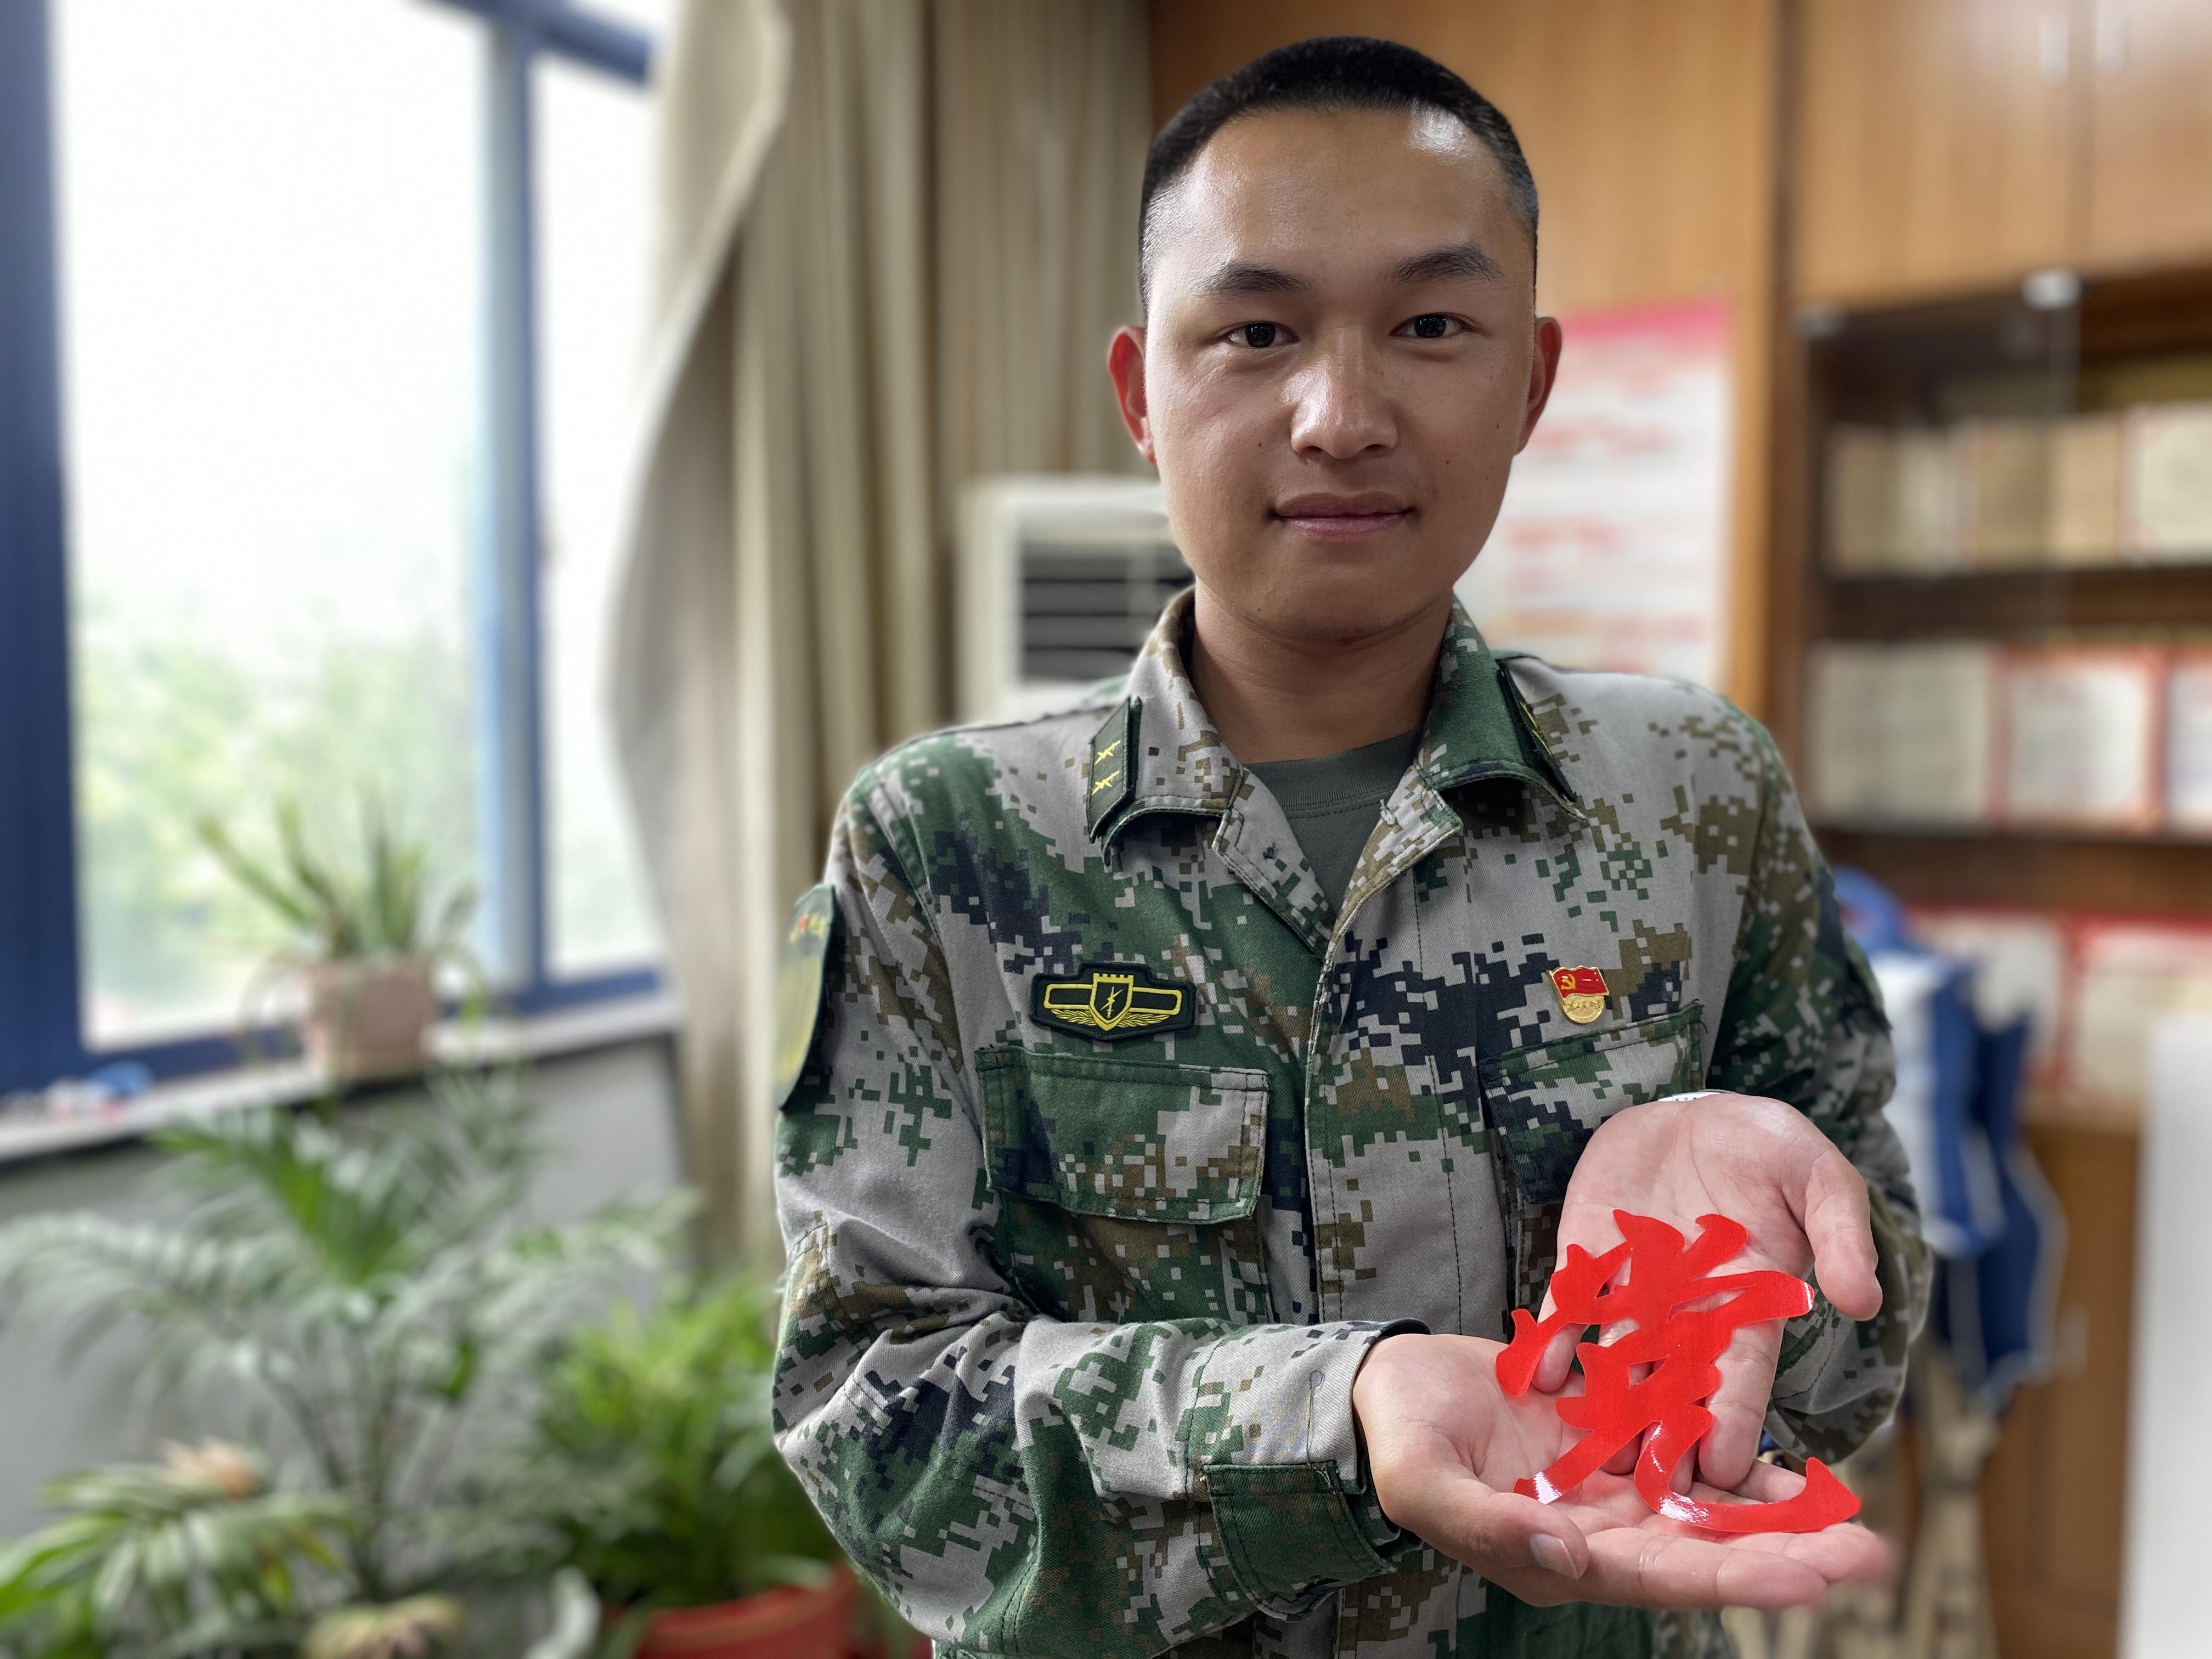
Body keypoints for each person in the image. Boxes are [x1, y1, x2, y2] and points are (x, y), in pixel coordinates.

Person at [770, 36, 1928, 1659]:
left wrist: (1736, 1292)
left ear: (1530, 382)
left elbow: (1872, 1319)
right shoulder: (944, 843)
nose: (1341, 415)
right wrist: (1340, 1415)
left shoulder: (1695, 798)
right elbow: (874, 1411)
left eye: (1431, 326)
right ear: (1142, 394)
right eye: (1256, 331)